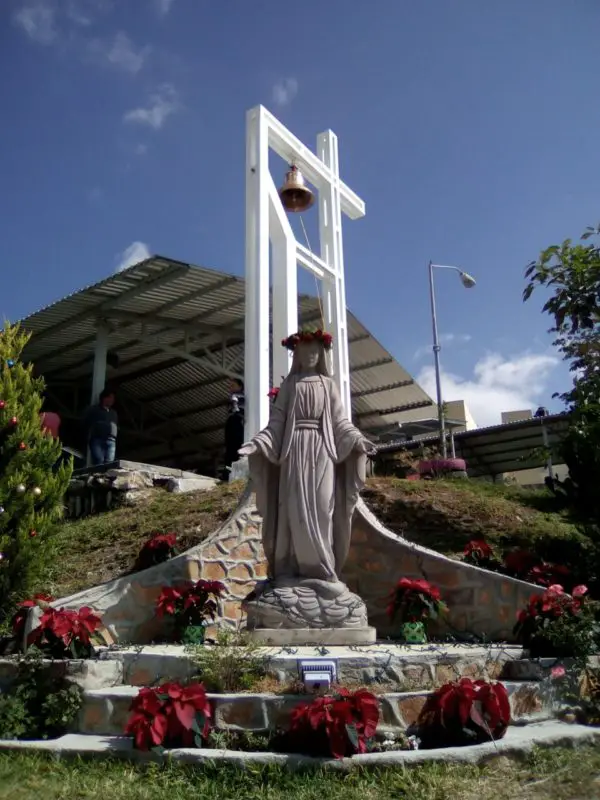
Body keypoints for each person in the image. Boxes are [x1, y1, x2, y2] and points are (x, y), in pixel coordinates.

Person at [238, 330, 372, 583]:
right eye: (305, 352)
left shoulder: (328, 384)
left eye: (314, 352)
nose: (310, 356)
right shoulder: (291, 385)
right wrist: (258, 443)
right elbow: (277, 421)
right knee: (293, 508)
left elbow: (340, 421)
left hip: (323, 451)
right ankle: (291, 568)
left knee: (324, 508)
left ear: (321, 354)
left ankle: (323, 570)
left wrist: (356, 438)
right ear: (296, 355)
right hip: (294, 450)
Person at [84, 388, 118, 466]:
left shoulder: (113, 413)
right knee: (98, 460)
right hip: (97, 439)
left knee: (109, 462)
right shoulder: (94, 410)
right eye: (110, 397)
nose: (112, 400)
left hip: (111, 440)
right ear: (104, 398)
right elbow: (86, 422)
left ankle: (106, 477)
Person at [222, 378, 245, 481]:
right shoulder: (238, 397)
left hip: (236, 422)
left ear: (240, 387)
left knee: (233, 448)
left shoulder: (237, 397)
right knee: (231, 449)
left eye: (233, 385)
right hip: (234, 423)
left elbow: (235, 407)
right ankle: (228, 472)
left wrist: (235, 406)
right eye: (229, 386)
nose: (230, 388)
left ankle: (229, 473)